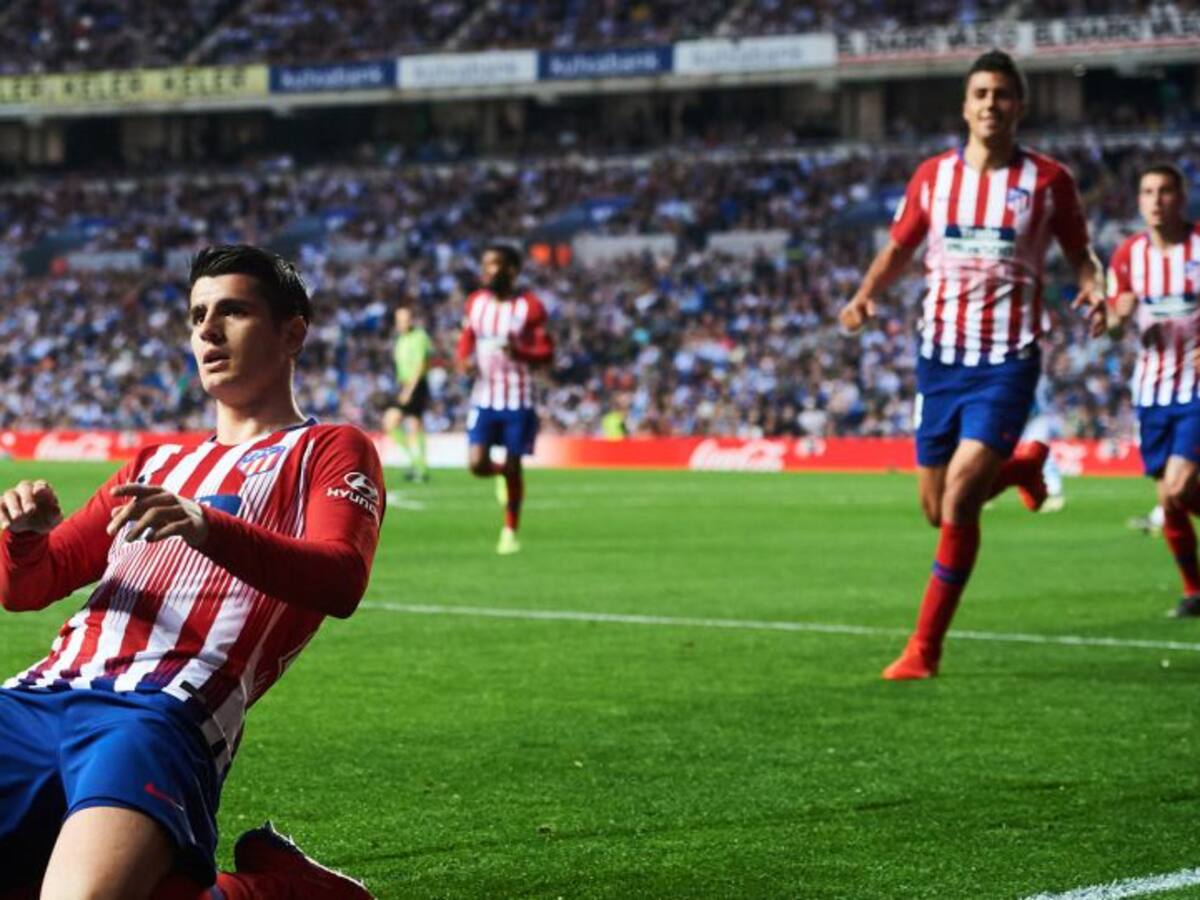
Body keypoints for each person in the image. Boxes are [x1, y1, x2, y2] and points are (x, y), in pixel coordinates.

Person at [0, 244, 380, 899]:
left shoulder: (329, 448)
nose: (208, 330)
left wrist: (206, 525)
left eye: (233, 311)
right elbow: (28, 587)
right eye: (198, 315)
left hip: (157, 711)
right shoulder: (155, 462)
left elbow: (341, 579)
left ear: (292, 333)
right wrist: (23, 539)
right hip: (34, 699)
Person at [837, 50, 1106, 680]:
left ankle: (923, 650)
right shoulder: (933, 177)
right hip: (939, 360)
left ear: (1020, 107)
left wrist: (1094, 286)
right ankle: (1023, 469)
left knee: (960, 497)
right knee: (936, 509)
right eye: (981, 94)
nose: (991, 104)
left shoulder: (1048, 181)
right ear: (965, 106)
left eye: (1002, 94)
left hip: (1007, 360)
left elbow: (1081, 254)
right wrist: (865, 295)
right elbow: (899, 247)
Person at [1106, 163, 1200, 617]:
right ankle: (1195, 591)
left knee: (1178, 488)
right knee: (1169, 500)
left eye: (1165, 191)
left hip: (1196, 391)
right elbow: (1109, 326)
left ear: (1181, 197)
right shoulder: (1128, 255)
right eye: (1148, 192)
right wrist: (1116, 317)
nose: (1156, 200)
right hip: (1152, 393)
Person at [456, 244, 554, 555]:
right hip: (484, 396)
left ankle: (510, 531)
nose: (487, 270)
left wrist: (520, 352)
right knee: (476, 464)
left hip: (518, 399)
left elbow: (547, 352)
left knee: (514, 465)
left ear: (512, 270)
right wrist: (464, 361)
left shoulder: (530, 307)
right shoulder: (476, 302)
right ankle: (502, 474)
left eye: (494, 264)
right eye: (485, 264)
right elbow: (467, 338)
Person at [382, 302, 433, 483]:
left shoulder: (419, 336)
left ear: (411, 320)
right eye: (399, 320)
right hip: (404, 384)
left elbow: (421, 364)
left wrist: (409, 390)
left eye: (405, 319)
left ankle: (419, 465)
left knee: (404, 422)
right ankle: (417, 464)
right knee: (405, 423)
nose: (402, 323)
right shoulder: (400, 339)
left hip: (416, 385)